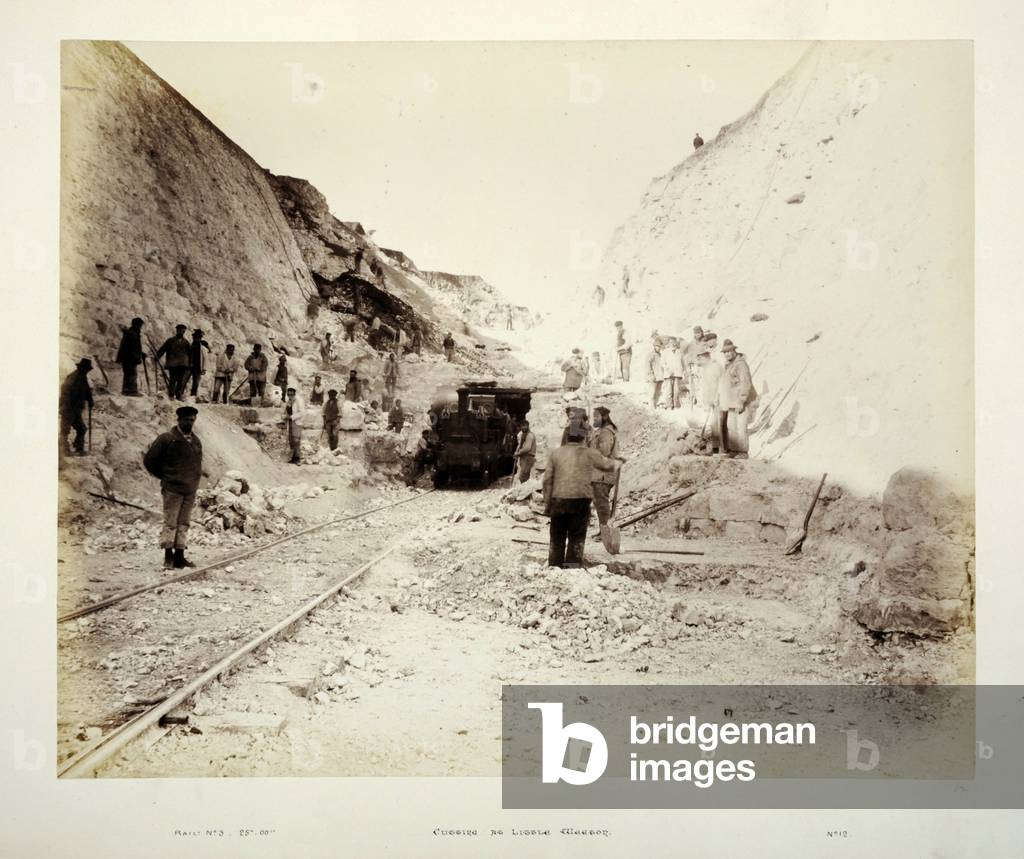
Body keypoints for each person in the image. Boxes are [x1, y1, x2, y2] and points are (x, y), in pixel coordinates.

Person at [542, 412, 620, 568]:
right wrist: (619, 461)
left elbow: (547, 481)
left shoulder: (555, 454)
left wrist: (547, 504)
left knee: (556, 538)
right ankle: (572, 570)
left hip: (558, 500)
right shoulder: (589, 453)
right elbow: (608, 465)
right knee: (576, 538)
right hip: (581, 501)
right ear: (584, 437)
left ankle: (554, 568)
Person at [143, 405, 203, 569]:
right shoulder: (166, 439)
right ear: (179, 420)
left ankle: (180, 557)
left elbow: (197, 463)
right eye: (186, 420)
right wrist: (165, 476)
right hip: (173, 489)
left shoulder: (195, 441)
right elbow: (149, 460)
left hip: (190, 490)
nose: (189, 423)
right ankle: (168, 557)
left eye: (192, 420)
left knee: (184, 523)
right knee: (171, 523)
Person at [717, 339, 755, 458]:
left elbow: (746, 384)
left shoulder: (741, 365)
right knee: (731, 427)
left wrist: (741, 401)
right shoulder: (729, 365)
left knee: (740, 427)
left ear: (734, 351)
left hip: (739, 402)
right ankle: (734, 450)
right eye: (725, 352)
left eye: (729, 351)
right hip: (731, 402)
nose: (727, 354)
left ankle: (743, 452)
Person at [589, 407, 622, 528]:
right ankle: (603, 529)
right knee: (599, 503)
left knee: (602, 504)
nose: (594, 419)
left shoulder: (606, 432)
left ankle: (606, 531)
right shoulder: (603, 431)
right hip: (600, 473)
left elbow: (604, 452)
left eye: (596, 417)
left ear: (604, 417)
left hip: (602, 474)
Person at [59, 358, 93, 458]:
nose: (86, 371)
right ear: (81, 368)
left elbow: (86, 390)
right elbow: (65, 394)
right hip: (68, 409)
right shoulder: (72, 378)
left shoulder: (83, 377)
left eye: (87, 370)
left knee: (82, 429)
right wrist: (67, 408)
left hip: (76, 410)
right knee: (65, 431)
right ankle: (63, 451)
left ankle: (79, 448)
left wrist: (90, 400)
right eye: (85, 369)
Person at [696, 349, 723, 453]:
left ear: (705, 357)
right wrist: (707, 401)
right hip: (712, 400)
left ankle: (721, 448)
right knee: (714, 424)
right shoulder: (706, 368)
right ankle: (715, 447)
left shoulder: (715, 367)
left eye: (699, 359)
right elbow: (707, 387)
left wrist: (716, 397)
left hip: (719, 400)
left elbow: (721, 383)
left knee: (719, 424)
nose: (698, 362)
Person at [155, 324, 191, 400]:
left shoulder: (186, 342)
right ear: (177, 331)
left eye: (183, 331)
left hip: (182, 364)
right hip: (173, 364)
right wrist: (157, 356)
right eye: (180, 331)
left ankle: (178, 395)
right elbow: (163, 349)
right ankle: (171, 395)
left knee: (180, 380)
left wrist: (190, 363)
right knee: (173, 380)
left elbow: (190, 354)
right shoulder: (170, 341)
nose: (181, 333)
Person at [114, 317, 144, 396]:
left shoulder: (132, 333)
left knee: (128, 374)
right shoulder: (132, 334)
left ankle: (126, 391)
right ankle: (132, 391)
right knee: (132, 374)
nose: (140, 327)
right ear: (135, 325)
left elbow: (135, 347)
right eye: (140, 325)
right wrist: (137, 356)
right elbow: (132, 348)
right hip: (129, 358)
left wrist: (141, 353)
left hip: (127, 357)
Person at [188, 329, 210, 399]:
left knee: (196, 382)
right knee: (184, 380)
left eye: (198, 337)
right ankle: (180, 393)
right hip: (189, 366)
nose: (196, 339)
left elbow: (205, 359)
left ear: (200, 338)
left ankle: (193, 396)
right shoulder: (190, 346)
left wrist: (204, 369)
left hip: (197, 367)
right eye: (195, 337)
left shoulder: (203, 348)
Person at [283, 387, 303, 464]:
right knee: (291, 440)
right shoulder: (289, 401)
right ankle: (293, 458)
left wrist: (291, 417)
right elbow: (287, 410)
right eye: (288, 394)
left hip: (297, 422)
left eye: (291, 393)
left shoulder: (299, 400)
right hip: (290, 422)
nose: (290, 395)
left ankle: (298, 459)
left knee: (296, 440)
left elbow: (302, 412)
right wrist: (284, 417)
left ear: (294, 393)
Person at [666, 337, 687, 409]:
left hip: (677, 373)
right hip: (668, 373)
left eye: (674, 342)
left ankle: (676, 405)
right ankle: (669, 405)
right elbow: (662, 363)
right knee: (669, 390)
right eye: (671, 342)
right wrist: (668, 369)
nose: (673, 344)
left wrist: (684, 371)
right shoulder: (665, 352)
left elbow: (683, 363)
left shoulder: (679, 352)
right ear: (668, 344)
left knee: (676, 390)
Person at [646, 338, 666, 407]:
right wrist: (651, 375)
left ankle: (655, 405)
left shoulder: (660, 355)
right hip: (653, 377)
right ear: (654, 346)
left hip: (660, 377)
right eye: (657, 346)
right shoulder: (650, 355)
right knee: (652, 392)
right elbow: (648, 366)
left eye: (660, 346)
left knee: (658, 392)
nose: (658, 348)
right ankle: (651, 407)